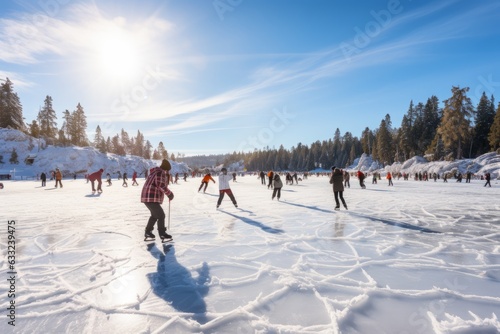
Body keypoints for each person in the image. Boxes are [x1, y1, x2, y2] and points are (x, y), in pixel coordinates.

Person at [141, 159, 174, 241]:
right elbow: (161, 185)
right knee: (161, 215)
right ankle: (162, 233)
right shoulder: (160, 172)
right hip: (151, 196)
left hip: (148, 197)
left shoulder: (155, 172)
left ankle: (148, 232)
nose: (167, 172)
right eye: (167, 171)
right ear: (165, 169)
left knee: (155, 215)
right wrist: (169, 194)